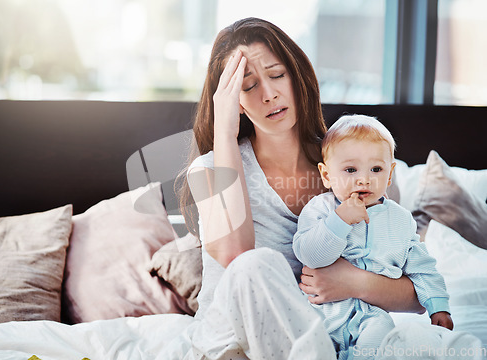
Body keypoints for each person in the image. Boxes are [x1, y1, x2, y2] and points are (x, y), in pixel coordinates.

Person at [175, 17, 424, 359]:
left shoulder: (356, 168)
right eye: (248, 86)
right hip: (233, 347)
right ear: (235, 102)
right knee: (253, 265)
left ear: (297, 75)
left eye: (277, 75)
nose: (269, 93)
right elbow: (236, 255)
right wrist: (225, 132)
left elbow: (418, 295)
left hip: (327, 341)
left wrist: (351, 282)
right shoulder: (208, 170)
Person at [293, 114, 454, 359]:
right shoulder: (320, 209)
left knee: (382, 337)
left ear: (389, 175)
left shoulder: (400, 220)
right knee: (306, 346)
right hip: (321, 311)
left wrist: (438, 306)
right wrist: (340, 220)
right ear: (326, 175)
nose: (364, 178)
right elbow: (309, 255)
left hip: (371, 314)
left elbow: (423, 268)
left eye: (376, 169)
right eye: (350, 169)